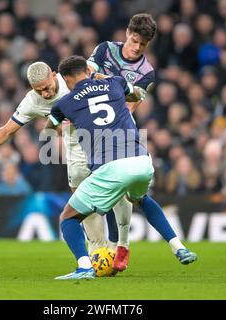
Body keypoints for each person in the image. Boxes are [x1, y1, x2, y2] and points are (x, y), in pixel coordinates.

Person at [46, 56, 197, 280]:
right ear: (88, 70)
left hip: (110, 165)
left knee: (68, 217)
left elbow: (50, 126)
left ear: (67, 79)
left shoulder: (65, 102)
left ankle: (85, 266)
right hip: (142, 160)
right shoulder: (115, 82)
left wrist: (67, 123)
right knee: (141, 199)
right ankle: (179, 247)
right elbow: (135, 94)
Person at [0, 61, 121, 255]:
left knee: (114, 192)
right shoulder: (31, 102)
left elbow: (98, 71)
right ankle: (98, 249)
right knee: (82, 196)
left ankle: (118, 245)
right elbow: (7, 129)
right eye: (39, 91)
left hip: (101, 137)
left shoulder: (70, 76)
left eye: (47, 87)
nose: (45, 94)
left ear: (54, 75)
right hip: (75, 148)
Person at [84, 13, 158, 271]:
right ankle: (98, 247)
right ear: (127, 32)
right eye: (135, 40)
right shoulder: (104, 50)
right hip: (89, 125)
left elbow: (131, 104)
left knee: (124, 190)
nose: (137, 47)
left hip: (121, 128)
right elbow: (86, 77)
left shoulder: (146, 72)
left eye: (143, 44)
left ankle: (122, 246)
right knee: (92, 185)